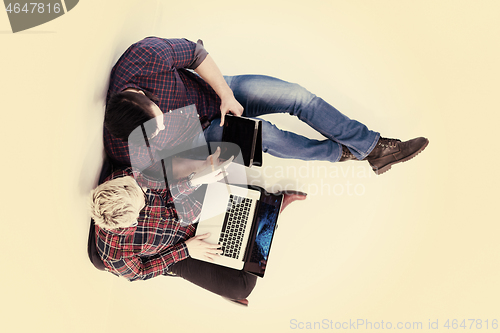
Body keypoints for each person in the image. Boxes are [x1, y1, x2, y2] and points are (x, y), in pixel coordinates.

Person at [103, 37, 428, 177]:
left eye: (158, 118)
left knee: (296, 96)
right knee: (269, 137)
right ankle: (348, 153)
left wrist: (227, 96)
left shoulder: (144, 58)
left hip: (216, 91)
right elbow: (158, 170)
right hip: (206, 133)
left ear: (138, 95)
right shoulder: (124, 145)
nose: (163, 125)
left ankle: (371, 147)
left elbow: (195, 54)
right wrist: (200, 167)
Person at [89, 156, 306, 304]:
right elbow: (142, 272)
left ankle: (269, 211)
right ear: (131, 222)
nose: (145, 198)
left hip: (179, 212)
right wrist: (185, 249)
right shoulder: (116, 256)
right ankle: (270, 217)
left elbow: (164, 191)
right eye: (141, 206)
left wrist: (194, 181)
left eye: (142, 194)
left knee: (249, 195)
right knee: (241, 287)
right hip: (175, 251)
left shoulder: (126, 180)